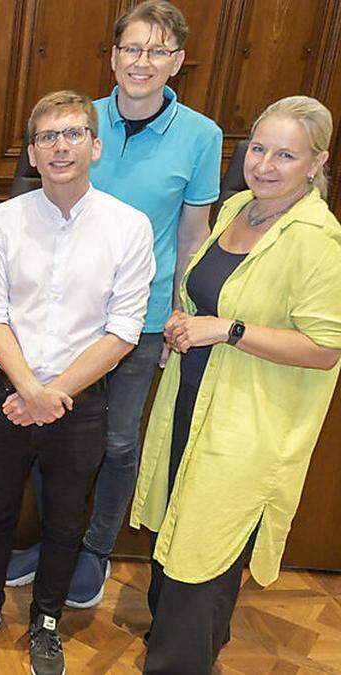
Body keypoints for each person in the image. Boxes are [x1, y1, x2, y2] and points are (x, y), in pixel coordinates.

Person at [6, 0, 225, 609]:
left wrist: (181, 308)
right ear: (112, 55)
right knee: (55, 432)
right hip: (65, 317)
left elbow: (193, 232)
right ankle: (57, 541)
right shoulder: (78, 121)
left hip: (143, 320)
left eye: (158, 51)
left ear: (178, 62)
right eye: (132, 48)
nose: (143, 61)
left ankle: (94, 549)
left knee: (119, 442)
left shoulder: (202, 137)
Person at [132, 96, 341, 674]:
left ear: (317, 162)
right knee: (177, 521)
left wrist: (229, 330)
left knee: (208, 540)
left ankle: (178, 664)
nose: (266, 164)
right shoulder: (239, 209)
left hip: (249, 418)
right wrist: (185, 321)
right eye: (258, 148)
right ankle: (178, 644)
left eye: (286, 154)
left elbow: (326, 350)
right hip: (192, 397)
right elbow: (208, 292)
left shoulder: (317, 241)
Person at [0, 91, 154, 675]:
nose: (59, 146)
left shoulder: (128, 226)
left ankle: (46, 621)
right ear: (32, 155)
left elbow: (123, 330)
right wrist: (29, 391)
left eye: (71, 134)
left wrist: (53, 393)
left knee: (67, 519)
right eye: (46, 137)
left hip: (80, 402)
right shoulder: (4, 220)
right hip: (8, 396)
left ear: (95, 145)